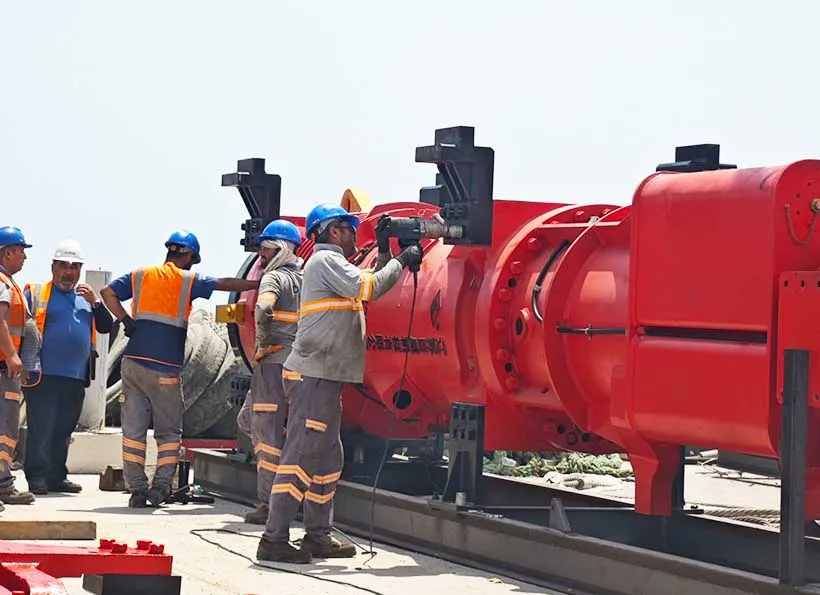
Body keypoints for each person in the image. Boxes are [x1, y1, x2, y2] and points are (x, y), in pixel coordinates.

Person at [256, 204, 422, 563]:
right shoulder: (325, 261)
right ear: (333, 231)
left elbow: (372, 280)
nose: (352, 235)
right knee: (300, 455)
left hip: (327, 378)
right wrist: (405, 258)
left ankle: (318, 535)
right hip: (314, 376)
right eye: (348, 229)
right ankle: (274, 539)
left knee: (329, 458)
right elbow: (372, 287)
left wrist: (384, 251)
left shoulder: (335, 266)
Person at [100, 230, 260, 508]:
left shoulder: (140, 274)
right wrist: (259, 282)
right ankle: (160, 487)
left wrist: (125, 319)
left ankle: (137, 490)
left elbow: (107, 292)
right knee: (169, 432)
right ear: (188, 256)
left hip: (133, 364)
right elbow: (225, 283)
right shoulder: (187, 280)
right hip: (164, 369)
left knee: (134, 432)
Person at [22, 239, 113, 495]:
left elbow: (107, 326)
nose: (68, 272)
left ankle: (56, 476)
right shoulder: (38, 293)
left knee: (63, 429)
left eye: (74, 267)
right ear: (53, 267)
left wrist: (96, 302)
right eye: (63, 265)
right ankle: (37, 476)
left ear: (80, 270)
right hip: (43, 374)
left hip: (75, 377)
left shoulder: (86, 300)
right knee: (42, 426)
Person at [239, 219, 304, 525]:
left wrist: (263, 341)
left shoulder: (273, 277)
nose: (261, 256)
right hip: (300, 366)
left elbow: (264, 308)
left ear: (278, 249)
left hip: (272, 363)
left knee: (266, 434)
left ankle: (269, 504)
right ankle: (291, 495)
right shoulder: (307, 278)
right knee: (257, 423)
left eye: (265, 249)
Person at [0, 227, 38, 506]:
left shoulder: (8, 282)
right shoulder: (2, 283)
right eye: (21, 251)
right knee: (5, 429)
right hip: (4, 368)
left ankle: (2, 485)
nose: (24, 257)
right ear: (7, 252)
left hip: (6, 367)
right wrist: (13, 356)